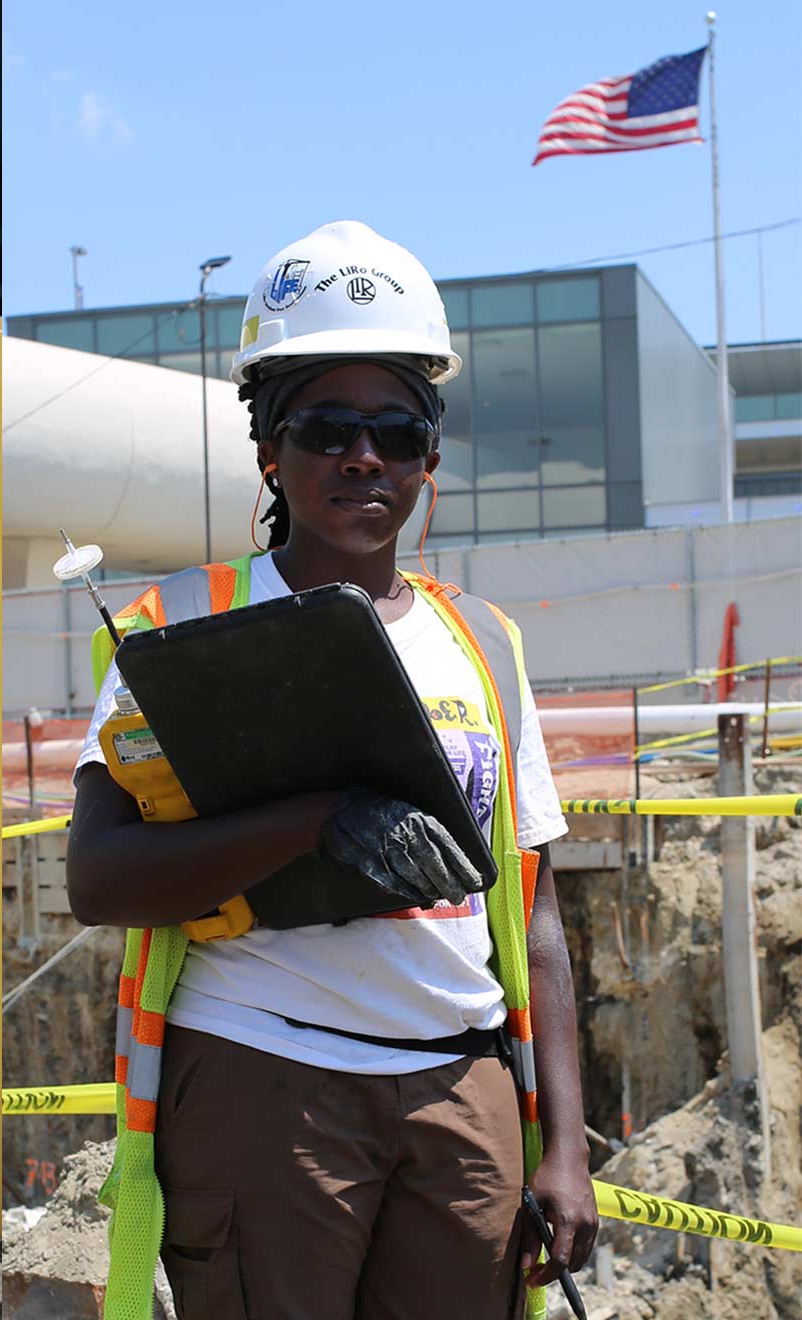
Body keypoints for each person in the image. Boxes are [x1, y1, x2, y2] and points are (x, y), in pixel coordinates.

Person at [68, 221, 597, 1320]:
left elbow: (537, 917)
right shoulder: (187, 627)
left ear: (429, 458)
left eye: (397, 433)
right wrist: (313, 819)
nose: (366, 458)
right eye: (329, 429)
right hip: (270, 1083)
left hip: (461, 1086)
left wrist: (565, 1145)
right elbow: (102, 878)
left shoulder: (485, 641)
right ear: (270, 447)